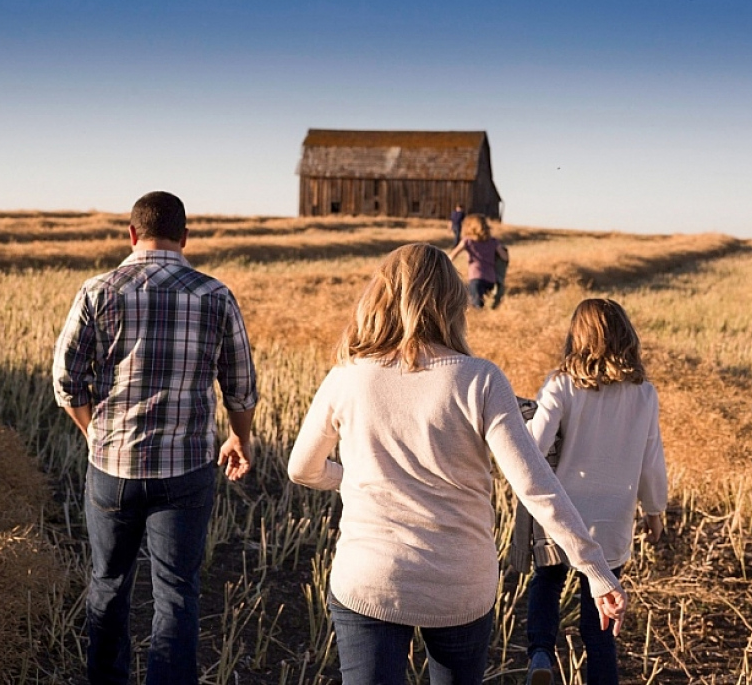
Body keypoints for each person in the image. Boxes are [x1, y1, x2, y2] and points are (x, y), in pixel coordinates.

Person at [287, 244, 626, 685]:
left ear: (382, 296)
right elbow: (534, 485)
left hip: (369, 579)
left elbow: (302, 469)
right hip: (460, 586)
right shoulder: (481, 379)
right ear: (453, 300)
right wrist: (595, 570)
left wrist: (356, 479)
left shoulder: (347, 376)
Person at [52, 191, 258, 685]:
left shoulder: (98, 290)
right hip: (186, 471)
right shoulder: (215, 295)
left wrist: (94, 434)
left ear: (131, 234)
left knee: (108, 584)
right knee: (177, 591)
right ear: (185, 237)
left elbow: (66, 380)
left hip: (112, 468)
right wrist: (238, 439)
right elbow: (241, 387)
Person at [517, 298, 667, 685]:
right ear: (626, 337)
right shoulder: (644, 393)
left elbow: (533, 446)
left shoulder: (561, 383)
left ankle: (540, 656)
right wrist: (654, 511)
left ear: (577, 337)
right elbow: (652, 458)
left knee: (547, 581)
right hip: (613, 519)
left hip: (562, 513)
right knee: (599, 623)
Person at [449, 214, 509, 309]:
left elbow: (452, 255)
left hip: (476, 277)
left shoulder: (467, 241)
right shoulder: (493, 241)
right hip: (491, 279)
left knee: (476, 307)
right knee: (487, 306)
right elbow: (504, 257)